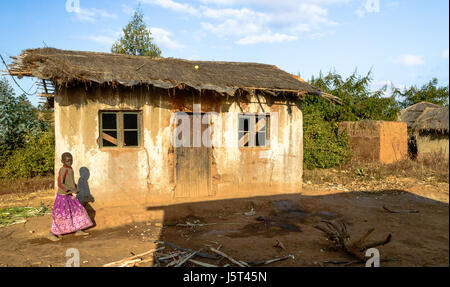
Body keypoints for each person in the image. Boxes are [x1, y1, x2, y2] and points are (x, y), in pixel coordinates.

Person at [48, 152, 94, 241]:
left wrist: (76, 188)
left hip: (69, 195)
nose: (69, 162)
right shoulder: (63, 170)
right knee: (61, 216)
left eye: (71, 160)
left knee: (78, 211)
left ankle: (78, 229)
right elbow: (60, 184)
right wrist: (71, 190)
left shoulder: (70, 169)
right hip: (62, 197)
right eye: (67, 161)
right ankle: (52, 233)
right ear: (62, 161)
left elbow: (71, 183)